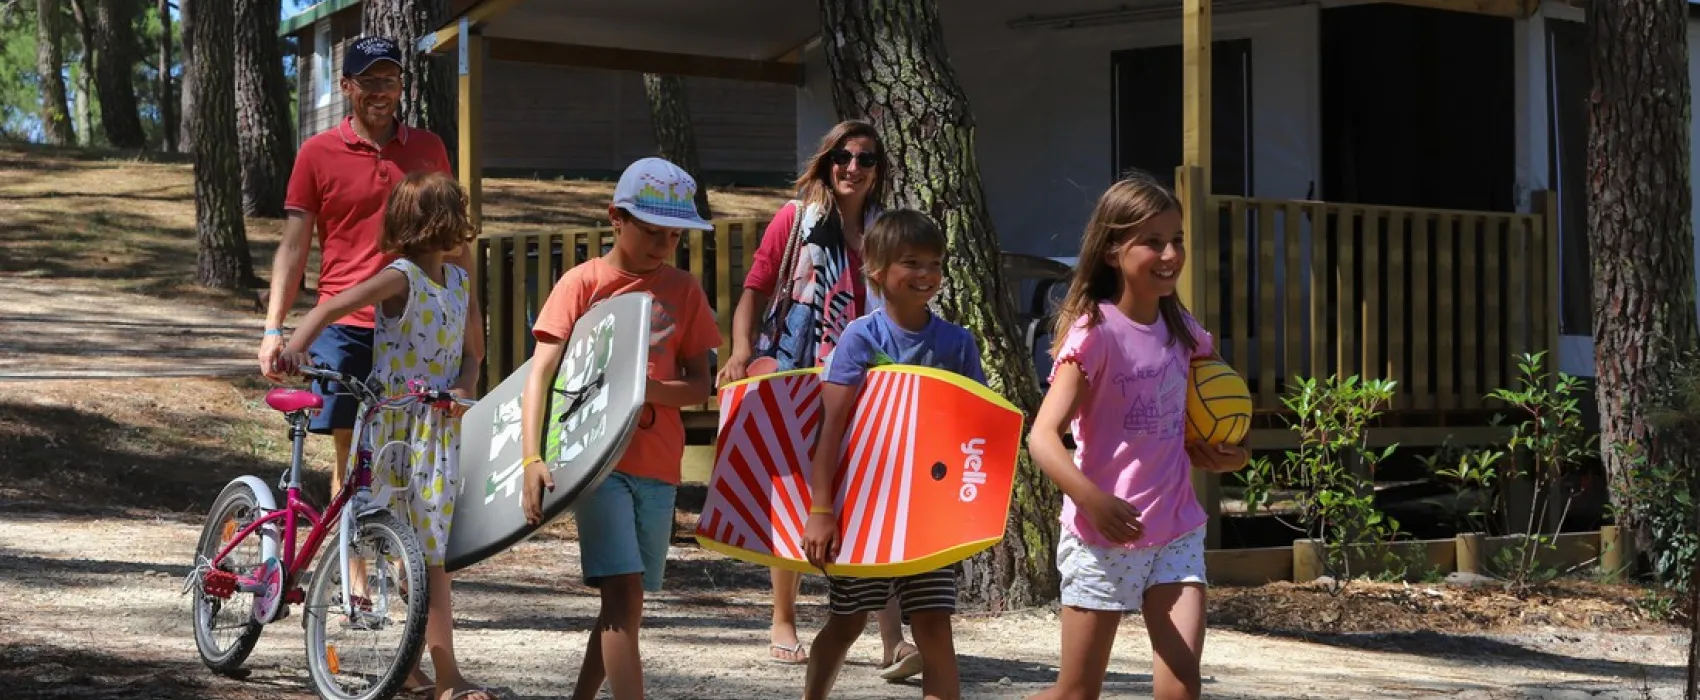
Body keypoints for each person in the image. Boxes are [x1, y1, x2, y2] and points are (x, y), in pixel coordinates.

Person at [256, 34, 482, 695]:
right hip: (349, 321)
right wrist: (278, 331)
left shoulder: (429, 149)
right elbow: (295, 246)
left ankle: (398, 622)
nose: (383, 92)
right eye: (370, 81)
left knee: (413, 507)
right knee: (353, 458)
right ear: (347, 88)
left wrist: (475, 356)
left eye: (392, 80)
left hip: (422, 331)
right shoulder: (317, 154)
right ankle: (353, 578)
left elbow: (463, 263)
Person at [1024, 172, 1250, 700]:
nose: (1170, 253)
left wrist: (1227, 455)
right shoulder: (1094, 334)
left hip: (1176, 530)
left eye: (1177, 240)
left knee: (1181, 688)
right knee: (1076, 693)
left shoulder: (1184, 331)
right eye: (1152, 241)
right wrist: (1092, 499)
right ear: (1110, 251)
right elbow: (1041, 437)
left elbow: (1213, 409)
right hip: (1103, 538)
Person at [275, 171, 495, 700]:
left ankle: (434, 674)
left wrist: (463, 391)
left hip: (437, 431)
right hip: (392, 429)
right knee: (401, 547)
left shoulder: (460, 284)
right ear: (440, 224)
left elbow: (475, 354)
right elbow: (330, 306)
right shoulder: (401, 277)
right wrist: (291, 347)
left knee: (430, 555)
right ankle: (433, 674)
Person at [716, 119, 921, 678]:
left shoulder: (886, 230)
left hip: (868, 372)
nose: (853, 168)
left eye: (866, 159)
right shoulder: (797, 220)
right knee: (794, 494)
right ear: (827, 162)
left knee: (872, 494)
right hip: (798, 369)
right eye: (843, 157)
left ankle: (892, 638)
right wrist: (739, 352)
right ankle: (783, 618)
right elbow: (754, 290)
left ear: (880, 170)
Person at [520, 157, 722, 700]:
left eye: (674, 236)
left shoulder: (684, 290)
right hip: (596, 462)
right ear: (616, 218)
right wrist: (530, 459)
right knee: (623, 591)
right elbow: (540, 373)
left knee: (626, 603)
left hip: (658, 464)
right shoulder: (582, 283)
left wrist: (640, 391)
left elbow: (701, 384)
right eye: (652, 232)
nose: (663, 245)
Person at [799, 209, 978, 700]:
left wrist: (969, 514)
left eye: (935, 264)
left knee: (935, 629)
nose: (926, 275)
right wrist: (821, 510)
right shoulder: (862, 337)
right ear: (876, 269)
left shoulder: (958, 344)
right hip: (864, 511)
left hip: (930, 515)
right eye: (911, 263)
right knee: (847, 622)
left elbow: (976, 434)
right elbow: (830, 430)